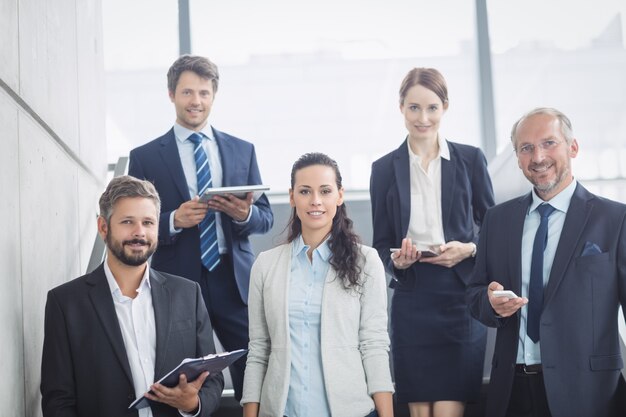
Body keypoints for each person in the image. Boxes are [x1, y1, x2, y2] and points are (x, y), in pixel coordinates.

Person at [128, 55, 273, 400]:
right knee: (183, 375)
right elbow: (132, 222)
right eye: (188, 92)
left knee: (256, 366)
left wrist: (242, 214)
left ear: (214, 95)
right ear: (171, 94)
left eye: (204, 93)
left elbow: (265, 217)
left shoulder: (242, 150)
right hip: (177, 280)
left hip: (233, 280)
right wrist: (172, 221)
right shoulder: (145, 156)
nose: (196, 101)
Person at [467, 107, 626, 417]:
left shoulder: (615, 219)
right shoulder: (497, 220)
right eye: (526, 148)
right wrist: (489, 303)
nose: (537, 157)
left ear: (573, 147)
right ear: (518, 157)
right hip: (511, 391)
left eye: (549, 143)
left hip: (589, 392)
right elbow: (474, 294)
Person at [40, 175, 224, 417]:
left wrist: (192, 405)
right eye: (128, 222)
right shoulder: (65, 304)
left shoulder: (188, 294)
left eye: (148, 222)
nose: (139, 233)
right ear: (103, 228)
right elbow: (58, 400)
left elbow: (212, 379)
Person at [369, 67, 495, 417]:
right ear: (401, 108)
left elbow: (495, 228)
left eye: (431, 108)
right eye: (413, 108)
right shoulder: (383, 169)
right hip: (412, 298)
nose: (422, 118)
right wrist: (397, 260)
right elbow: (380, 244)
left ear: (445, 108)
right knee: (418, 411)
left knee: (447, 409)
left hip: (459, 296)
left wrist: (468, 248)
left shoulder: (470, 160)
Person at [241, 153, 394, 417]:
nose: (315, 201)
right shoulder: (265, 265)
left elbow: (374, 345)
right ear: (291, 197)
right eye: (305, 191)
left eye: (325, 191)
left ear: (340, 195)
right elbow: (258, 351)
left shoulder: (366, 261)